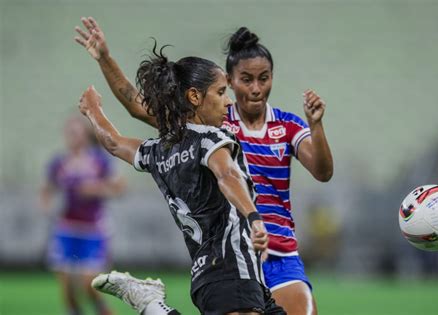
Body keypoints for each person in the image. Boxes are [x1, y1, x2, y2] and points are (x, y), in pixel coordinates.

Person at [75, 17, 333, 315]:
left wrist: (316, 126)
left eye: (264, 78)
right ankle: (151, 307)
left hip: (274, 252)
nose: (256, 88)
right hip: (232, 253)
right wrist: (105, 59)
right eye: (244, 80)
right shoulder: (215, 127)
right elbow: (138, 105)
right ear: (231, 81)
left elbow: (323, 172)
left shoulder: (286, 125)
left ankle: (151, 306)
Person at [39, 115, 126, 315]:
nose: (72, 137)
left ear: (85, 135)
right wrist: (45, 204)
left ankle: (103, 310)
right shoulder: (59, 162)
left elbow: (120, 188)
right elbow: (47, 188)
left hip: (93, 229)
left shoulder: (98, 161)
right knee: (67, 287)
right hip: (66, 228)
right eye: (69, 132)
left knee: (90, 284)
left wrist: (97, 189)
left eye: (76, 132)